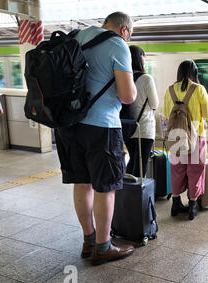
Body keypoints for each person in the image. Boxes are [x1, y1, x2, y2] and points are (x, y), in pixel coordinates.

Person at [54, 12, 137, 266]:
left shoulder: (76, 37)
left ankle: (88, 240)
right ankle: (104, 247)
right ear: (124, 30)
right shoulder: (117, 44)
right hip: (101, 126)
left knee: (82, 183)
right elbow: (127, 95)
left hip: (69, 125)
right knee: (105, 187)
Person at [163, 59, 208, 220]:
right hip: (196, 136)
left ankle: (175, 204)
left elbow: (165, 114)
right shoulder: (199, 89)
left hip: (175, 136)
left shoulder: (169, 90)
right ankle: (192, 205)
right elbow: (207, 113)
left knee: (176, 170)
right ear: (194, 73)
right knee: (195, 170)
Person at [125, 45, 159, 177]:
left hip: (127, 127)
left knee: (133, 159)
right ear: (139, 58)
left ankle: (125, 192)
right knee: (141, 163)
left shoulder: (124, 77)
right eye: (143, 56)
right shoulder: (146, 79)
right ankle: (136, 195)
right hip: (143, 128)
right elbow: (154, 104)